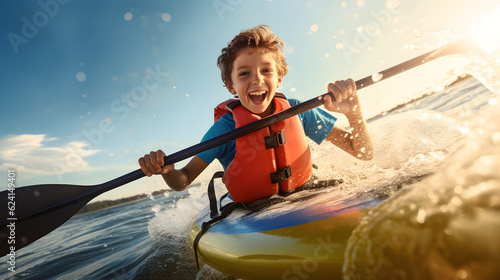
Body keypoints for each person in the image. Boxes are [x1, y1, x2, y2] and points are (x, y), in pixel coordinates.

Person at [138, 25, 373, 203]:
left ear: (278, 79)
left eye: (266, 70)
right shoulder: (224, 129)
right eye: (244, 73)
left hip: (304, 193)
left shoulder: (298, 111)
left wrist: (353, 113)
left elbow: (362, 152)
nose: (257, 79)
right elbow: (184, 179)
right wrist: (167, 171)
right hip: (252, 209)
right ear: (231, 87)